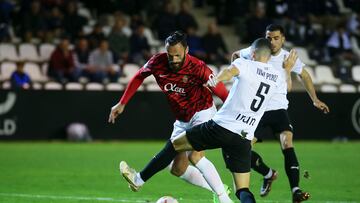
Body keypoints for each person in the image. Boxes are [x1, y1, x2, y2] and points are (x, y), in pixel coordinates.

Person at [118, 38, 289, 203]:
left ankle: (139, 179)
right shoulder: (276, 77)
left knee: (176, 144)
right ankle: (225, 197)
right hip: (244, 135)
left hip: (220, 126)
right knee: (242, 190)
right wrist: (287, 70)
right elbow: (279, 94)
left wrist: (218, 78)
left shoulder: (243, 64)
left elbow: (228, 73)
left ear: (252, 53)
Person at [108, 31, 231, 203]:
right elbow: (138, 76)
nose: (173, 60)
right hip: (182, 120)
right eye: (170, 55)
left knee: (194, 156)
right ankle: (218, 187)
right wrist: (122, 103)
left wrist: (236, 118)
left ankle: (224, 199)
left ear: (186, 50)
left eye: (177, 55)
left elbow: (223, 93)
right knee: (178, 169)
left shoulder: (198, 68)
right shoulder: (157, 62)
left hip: (202, 113)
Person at [232, 24, 330, 202]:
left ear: (283, 39)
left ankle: (296, 190)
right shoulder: (257, 51)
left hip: (278, 109)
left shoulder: (288, 57)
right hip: (258, 111)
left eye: (276, 38)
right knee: (243, 149)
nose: (272, 41)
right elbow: (236, 55)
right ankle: (268, 174)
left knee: (287, 143)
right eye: (269, 37)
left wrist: (315, 99)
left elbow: (305, 75)